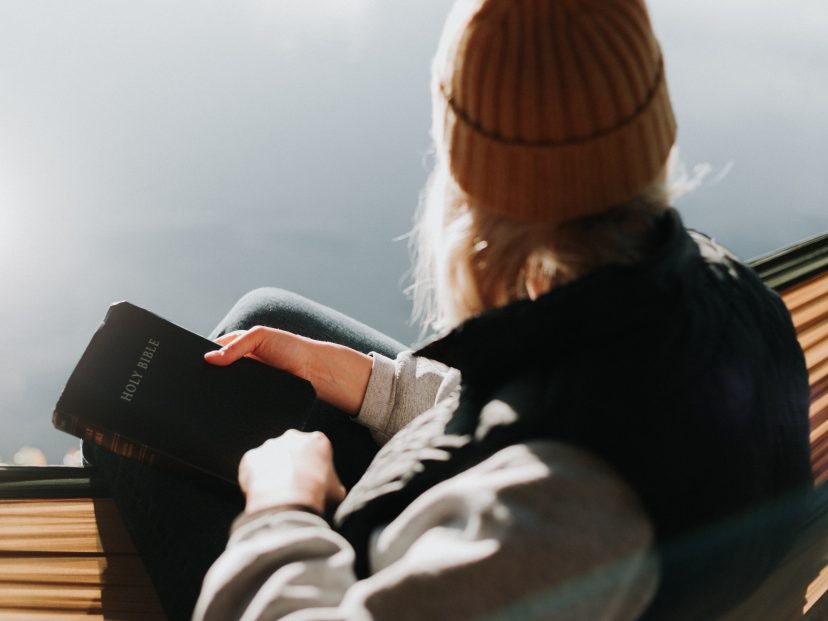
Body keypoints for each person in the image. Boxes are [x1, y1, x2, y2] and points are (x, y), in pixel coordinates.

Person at [87, 1, 813, 619]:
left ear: (473, 189)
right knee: (265, 314)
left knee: (124, 430)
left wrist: (281, 508)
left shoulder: (558, 520)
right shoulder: (725, 290)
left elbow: (554, 466)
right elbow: (579, 394)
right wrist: (376, 386)